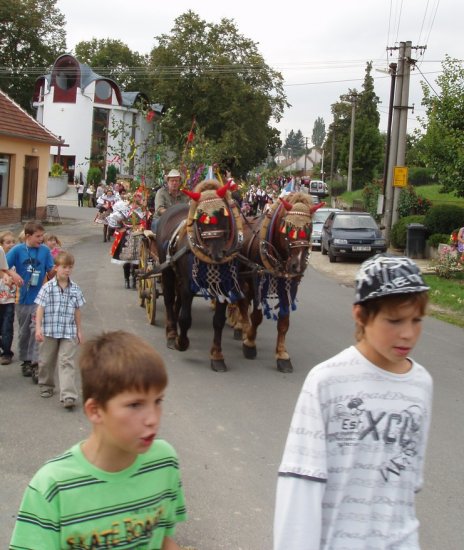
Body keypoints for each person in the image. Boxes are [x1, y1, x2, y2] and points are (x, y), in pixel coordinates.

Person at [274, 253, 433, 550]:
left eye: (416, 320)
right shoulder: (327, 382)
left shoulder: (421, 384)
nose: (408, 333)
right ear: (360, 315)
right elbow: (300, 485)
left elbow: (409, 482)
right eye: (394, 320)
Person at [10, 330, 187, 548]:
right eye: (135, 405)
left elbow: (162, 540)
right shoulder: (52, 488)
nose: (153, 419)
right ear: (95, 411)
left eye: (158, 401)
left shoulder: (164, 462)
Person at [34, 251, 85, 408]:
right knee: (46, 361)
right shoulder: (47, 288)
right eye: (64, 267)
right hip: (49, 330)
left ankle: (68, 395)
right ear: (56, 268)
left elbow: (77, 310)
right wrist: (38, 328)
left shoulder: (75, 289)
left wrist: (79, 330)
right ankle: (46, 385)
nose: (67, 270)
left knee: (66, 361)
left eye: (70, 267)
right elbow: (40, 309)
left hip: (68, 331)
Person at [6, 222, 55, 378]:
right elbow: (3, 266)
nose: (41, 239)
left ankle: (35, 363)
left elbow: (51, 271)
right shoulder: (18, 250)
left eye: (42, 236)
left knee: (37, 329)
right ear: (28, 236)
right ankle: (26, 360)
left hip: (40, 298)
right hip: (23, 298)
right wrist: (12, 274)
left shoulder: (45, 251)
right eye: (38, 236)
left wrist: (59, 269)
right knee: (25, 330)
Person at [0, 231, 21, 365]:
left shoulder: (15, 261)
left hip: (9, 299)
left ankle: (7, 353)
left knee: (7, 327)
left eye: (13, 241)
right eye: (8, 242)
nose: (11, 244)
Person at [151, 169, 188, 233]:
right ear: (168, 182)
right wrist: (174, 214)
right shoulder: (161, 192)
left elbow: (187, 209)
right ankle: (165, 243)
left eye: (176, 181)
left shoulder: (184, 195)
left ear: (179, 183)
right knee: (168, 229)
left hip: (178, 222)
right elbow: (159, 210)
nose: (174, 183)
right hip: (160, 220)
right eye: (172, 181)